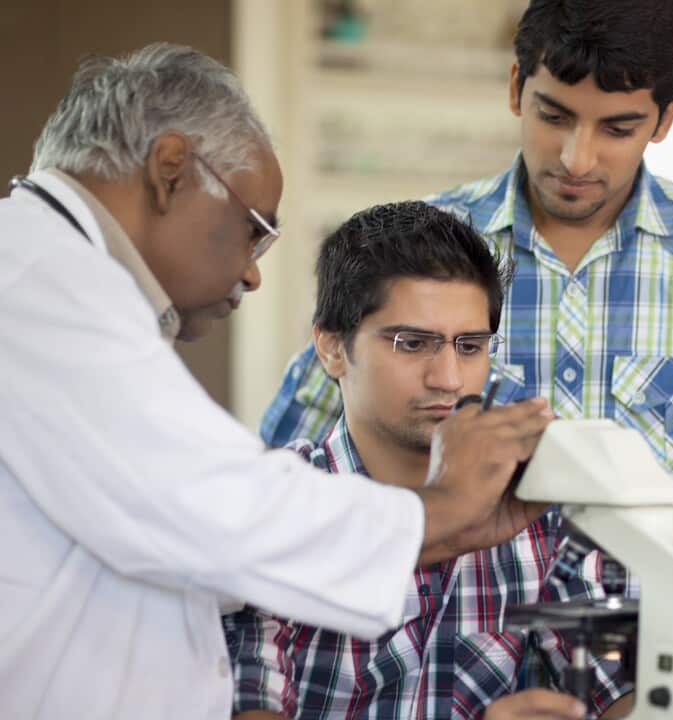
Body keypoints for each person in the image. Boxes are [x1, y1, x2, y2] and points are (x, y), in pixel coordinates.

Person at [261, 2, 673, 714]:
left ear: (664, 119)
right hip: (421, 661)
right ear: (515, 88)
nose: (576, 157)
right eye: (554, 115)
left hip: (646, 671)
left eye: (617, 128)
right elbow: (284, 471)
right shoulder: (437, 252)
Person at [0, 44, 552, 720]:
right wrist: (445, 509)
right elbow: (218, 512)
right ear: (171, 170)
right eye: (254, 230)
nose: (254, 272)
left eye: (470, 345)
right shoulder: (39, 285)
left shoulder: (57, 279)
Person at [224, 201, 626, 720]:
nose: (450, 379)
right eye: (412, 343)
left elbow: (626, 688)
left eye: (470, 345)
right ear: (331, 348)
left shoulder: (533, 509)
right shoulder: (274, 507)